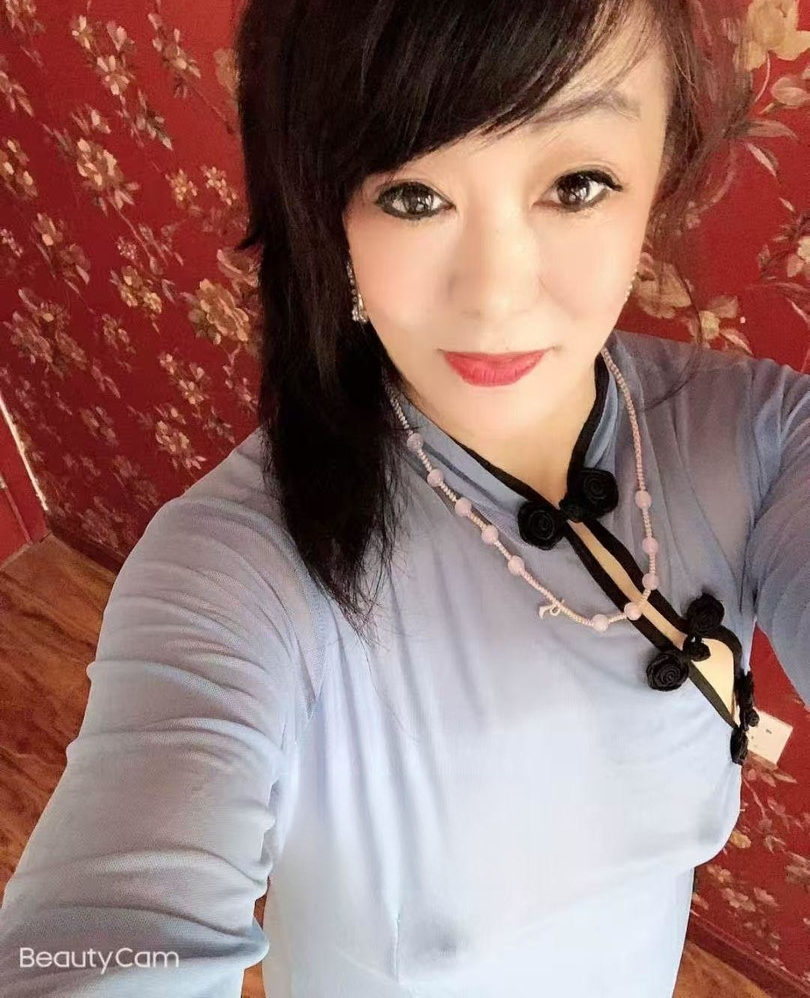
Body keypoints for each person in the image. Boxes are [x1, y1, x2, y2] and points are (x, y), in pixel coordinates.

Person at [1, 0, 808, 995]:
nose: (496, 293)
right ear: (330, 210)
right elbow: (93, 948)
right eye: (415, 196)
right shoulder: (240, 571)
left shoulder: (764, 437)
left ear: (661, 165)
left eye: (576, 185)